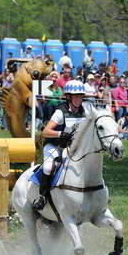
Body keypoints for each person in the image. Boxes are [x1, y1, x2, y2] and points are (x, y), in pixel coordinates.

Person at [32, 80, 87, 211]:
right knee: (47, 167)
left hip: (74, 148)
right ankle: (42, 196)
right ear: (69, 96)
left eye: (80, 96)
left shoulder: (84, 111)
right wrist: (61, 134)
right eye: (76, 96)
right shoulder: (60, 112)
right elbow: (45, 131)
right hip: (56, 146)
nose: (79, 99)